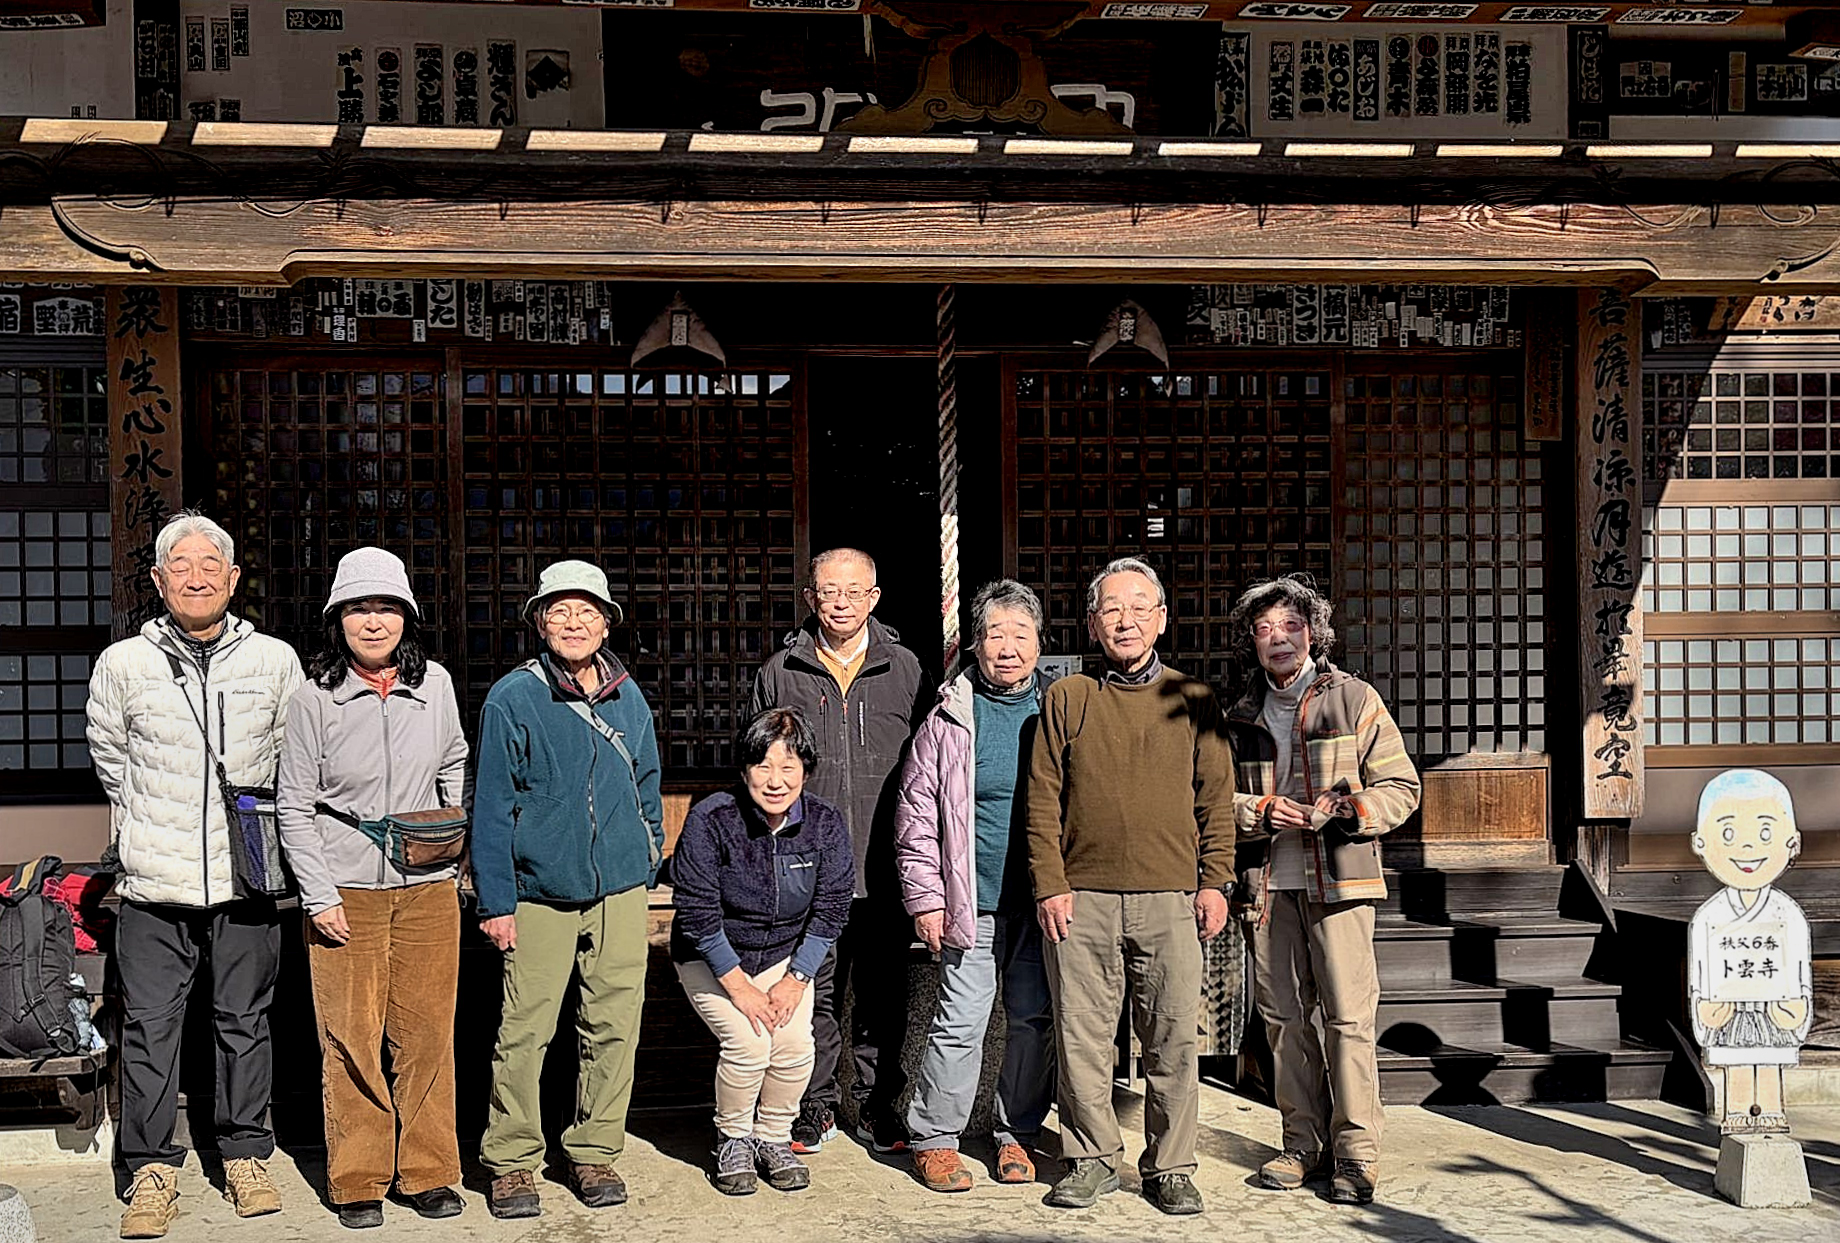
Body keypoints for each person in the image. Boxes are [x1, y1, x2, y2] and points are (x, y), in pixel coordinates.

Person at [86, 511, 304, 1240]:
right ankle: (151, 1168)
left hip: (247, 878)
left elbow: (291, 755)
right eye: (180, 565)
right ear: (158, 579)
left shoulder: (274, 659)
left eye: (211, 564)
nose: (197, 576)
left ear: (234, 578)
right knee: (149, 1028)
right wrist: (144, 834)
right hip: (154, 880)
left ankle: (246, 1154)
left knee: (244, 1021)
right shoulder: (124, 663)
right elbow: (112, 759)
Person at [1025, 557, 1235, 1216]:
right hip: (1081, 897)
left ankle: (1171, 1165)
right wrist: (1049, 883)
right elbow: (1042, 798)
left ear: (1162, 619)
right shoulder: (1068, 697)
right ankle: (1090, 1158)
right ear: (1092, 623)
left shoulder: (1193, 698)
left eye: (1141, 607)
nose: (1126, 620)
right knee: (1083, 1038)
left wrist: (1215, 881)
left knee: (1172, 1039)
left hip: (1172, 898)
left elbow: (1216, 800)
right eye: (1112, 608)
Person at [275, 548, 470, 1229]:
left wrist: (447, 836)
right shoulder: (315, 697)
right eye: (359, 607)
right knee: (351, 1035)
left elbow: (454, 758)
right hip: (345, 889)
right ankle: (358, 1176)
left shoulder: (434, 684)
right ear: (338, 619)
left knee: (428, 1034)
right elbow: (293, 803)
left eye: (387, 607)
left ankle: (429, 1171)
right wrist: (318, 893)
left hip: (427, 888)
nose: (374, 620)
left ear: (407, 616)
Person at [472, 560, 664, 1220]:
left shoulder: (627, 696)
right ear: (540, 622)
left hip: (619, 889)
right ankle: (511, 1160)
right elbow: (491, 805)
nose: (574, 622)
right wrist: (497, 900)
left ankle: (594, 1149)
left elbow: (647, 783)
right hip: (537, 891)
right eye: (560, 610)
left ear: (607, 623)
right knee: (524, 1031)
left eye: (588, 611)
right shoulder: (513, 698)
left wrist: (645, 856)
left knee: (614, 1025)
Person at [1223, 575, 1421, 1207]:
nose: (1278, 638)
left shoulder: (1355, 698)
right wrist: (1257, 810)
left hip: (1341, 879)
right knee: (1283, 1020)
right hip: (1266, 885)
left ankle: (1356, 1151)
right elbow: (1212, 801)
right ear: (1252, 642)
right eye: (1264, 629)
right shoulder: (1239, 714)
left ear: (1313, 633)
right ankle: (1300, 1143)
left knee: (1348, 1018)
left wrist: (1351, 808)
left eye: (1290, 625)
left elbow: (1402, 787)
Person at [749, 548, 927, 1153]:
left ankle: (879, 1106)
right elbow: (758, 769)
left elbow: (933, 764)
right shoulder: (782, 671)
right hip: (808, 865)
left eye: (854, 592)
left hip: (885, 860)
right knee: (812, 992)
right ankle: (815, 1105)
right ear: (810, 598)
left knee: (883, 996)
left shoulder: (905, 668)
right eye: (829, 592)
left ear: (874, 598)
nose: (841, 603)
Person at [895, 579, 1055, 1192]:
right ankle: (935, 1138)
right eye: (994, 634)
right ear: (975, 643)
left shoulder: (1061, 708)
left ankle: (1017, 1133)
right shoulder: (950, 716)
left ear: (1039, 643)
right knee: (960, 1020)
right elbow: (916, 814)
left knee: (1033, 1020)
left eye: (1020, 635)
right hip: (972, 901)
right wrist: (926, 898)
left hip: (1044, 901)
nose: (1007, 648)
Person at [670, 709, 855, 1196]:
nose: (776, 781)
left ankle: (772, 1137)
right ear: (744, 768)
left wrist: (796, 979)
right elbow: (698, 913)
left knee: (795, 1047)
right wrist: (739, 987)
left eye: (788, 767)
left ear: (806, 771)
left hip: (784, 956)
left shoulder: (825, 823)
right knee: (749, 1044)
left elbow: (832, 907)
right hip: (712, 956)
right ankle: (732, 1138)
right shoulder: (712, 819)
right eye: (763, 766)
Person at [1687, 768, 1813, 1136]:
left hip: (1774, 1008)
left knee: (1769, 1061)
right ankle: (1738, 1110)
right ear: (1700, 842)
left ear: (1792, 841)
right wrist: (1704, 1004)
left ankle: (1771, 1109)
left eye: (1765, 833)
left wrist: (1799, 1002)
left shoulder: (1787, 914)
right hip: (1729, 1009)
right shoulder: (1709, 916)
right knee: (1738, 1061)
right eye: (1728, 833)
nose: (1747, 847)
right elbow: (1700, 969)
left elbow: (1799, 968)